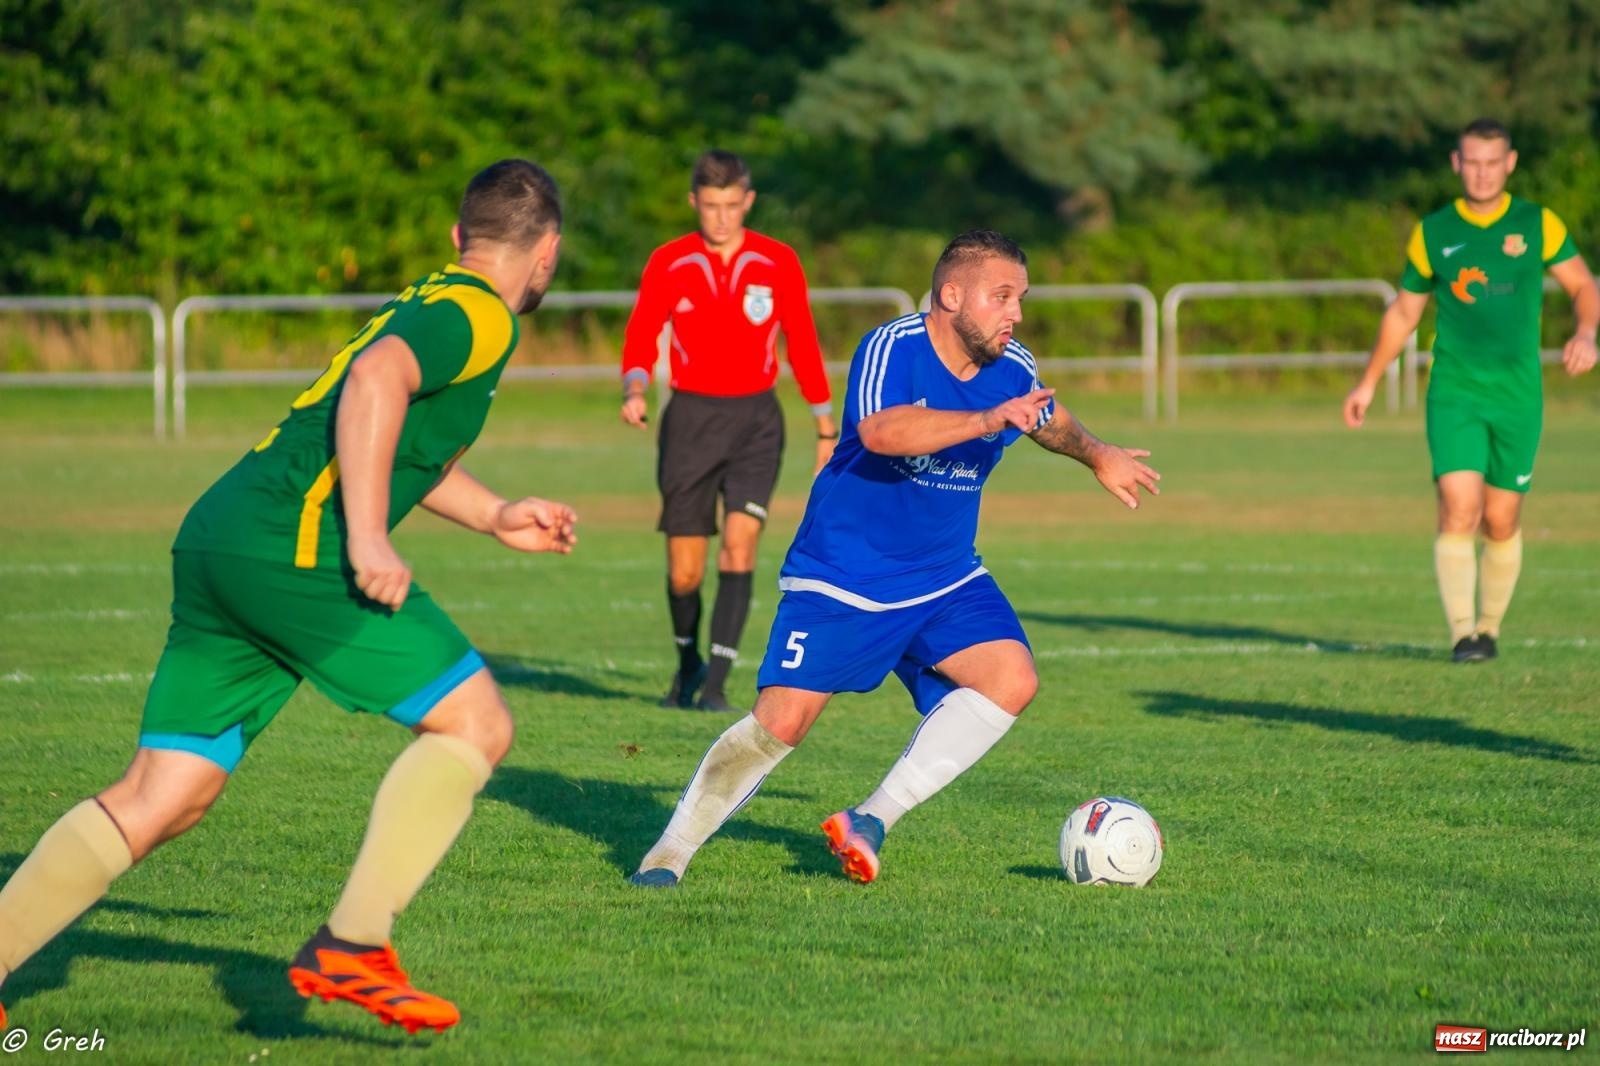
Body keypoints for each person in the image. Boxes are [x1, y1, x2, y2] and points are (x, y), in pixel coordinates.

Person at [0, 160, 574, 1034]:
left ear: (459, 236)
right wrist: (369, 536)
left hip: (225, 532)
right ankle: (354, 943)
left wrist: (494, 513)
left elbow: (392, 435)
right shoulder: (481, 314)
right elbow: (378, 383)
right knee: (477, 723)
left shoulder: (435, 295)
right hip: (289, 548)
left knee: (168, 791)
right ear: (548, 254)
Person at [627, 230, 1161, 888]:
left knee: (1011, 679)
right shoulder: (894, 347)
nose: (1014, 313)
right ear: (951, 294)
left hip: (945, 575)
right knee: (783, 722)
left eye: (1019, 298)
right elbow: (881, 431)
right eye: (1001, 297)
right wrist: (990, 419)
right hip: (846, 574)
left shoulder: (1011, 365)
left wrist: (1097, 452)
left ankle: (870, 819)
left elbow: (1047, 416)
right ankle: (668, 855)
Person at [1344, 118, 1598, 663]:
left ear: (1510, 163)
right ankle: (1464, 635)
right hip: (1455, 391)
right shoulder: (1433, 231)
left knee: (1501, 518)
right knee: (1460, 506)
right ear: (1457, 164)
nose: (1482, 172)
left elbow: (1582, 284)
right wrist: (1367, 382)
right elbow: (1405, 311)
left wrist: (1586, 331)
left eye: (1493, 162)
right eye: (1472, 162)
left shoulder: (1538, 223)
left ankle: (1489, 626)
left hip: (1518, 396)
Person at [619, 149, 836, 713]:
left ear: (748, 202)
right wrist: (634, 389)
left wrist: (824, 425)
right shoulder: (670, 261)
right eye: (710, 206)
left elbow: (803, 342)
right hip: (689, 421)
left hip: (757, 422)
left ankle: (715, 684)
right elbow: (643, 330)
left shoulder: (777, 260)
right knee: (685, 569)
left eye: (731, 205)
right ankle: (687, 663)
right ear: (695, 202)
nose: (721, 217)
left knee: (739, 550)